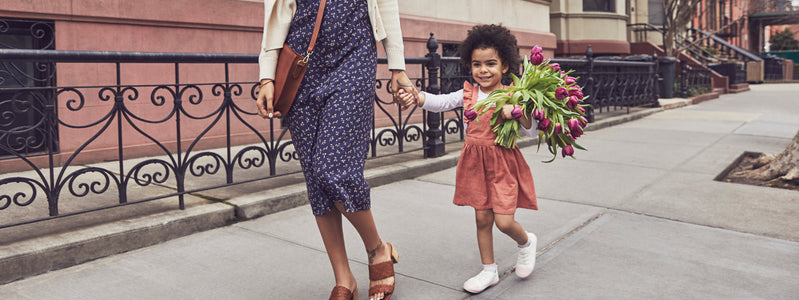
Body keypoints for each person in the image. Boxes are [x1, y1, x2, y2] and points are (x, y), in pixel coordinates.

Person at [255, 1, 418, 300]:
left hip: (353, 58)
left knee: (333, 170)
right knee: (316, 181)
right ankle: (344, 278)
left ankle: (378, 250)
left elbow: (386, 5)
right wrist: (267, 76)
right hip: (301, 66)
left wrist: (397, 66)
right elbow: (274, 13)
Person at [397, 24, 539, 294]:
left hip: (503, 165)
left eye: (491, 64)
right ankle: (489, 270)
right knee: (482, 219)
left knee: (504, 221)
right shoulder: (468, 94)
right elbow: (440, 102)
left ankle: (526, 242)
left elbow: (531, 131)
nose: (483, 70)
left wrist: (517, 112)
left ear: (505, 66)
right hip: (475, 165)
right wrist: (417, 97)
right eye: (477, 64)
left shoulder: (513, 96)